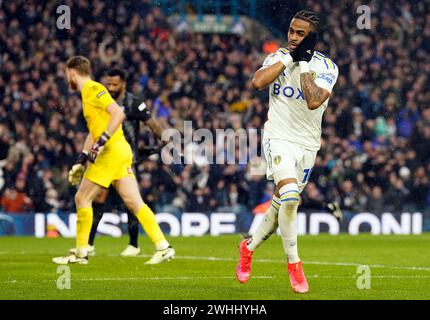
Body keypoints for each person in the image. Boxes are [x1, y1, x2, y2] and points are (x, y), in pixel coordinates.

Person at [235, 10, 339, 293]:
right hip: (278, 137)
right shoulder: (279, 57)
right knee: (292, 197)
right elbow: (257, 82)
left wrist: (304, 65)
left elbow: (314, 101)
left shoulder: (328, 67)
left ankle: (248, 247)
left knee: (282, 204)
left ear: (312, 38)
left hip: (307, 145)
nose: (292, 37)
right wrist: (291, 58)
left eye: (300, 34)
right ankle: (294, 264)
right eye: (291, 31)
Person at [52, 56, 175, 265]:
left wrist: (101, 143)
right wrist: (81, 159)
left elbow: (118, 113)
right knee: (135, 203)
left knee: (82, 199)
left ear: (72, 72)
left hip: (110, 153)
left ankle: (82, 253)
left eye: (66, 74)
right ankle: (163, 247)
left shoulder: (93, 89)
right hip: (120, 151)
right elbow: (94, 130)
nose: (67, 78)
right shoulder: (87, 93)